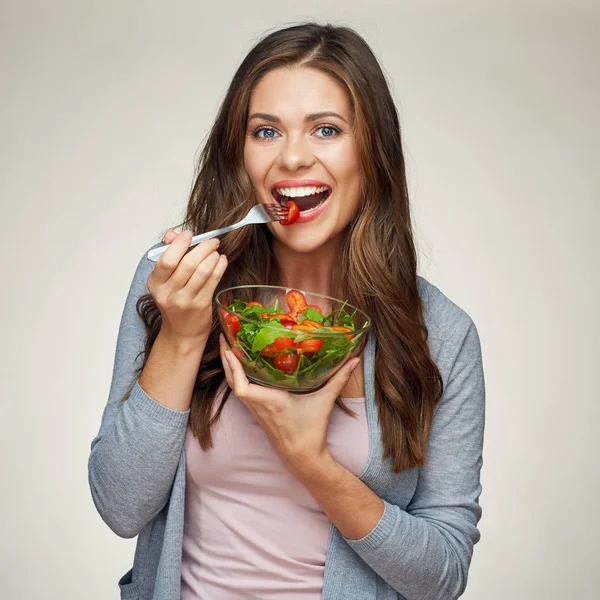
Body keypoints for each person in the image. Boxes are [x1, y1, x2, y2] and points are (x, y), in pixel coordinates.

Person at [88, 22, 485, 600]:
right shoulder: (179, 284)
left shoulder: (442, 334)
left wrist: (312, 462)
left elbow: (443, 576)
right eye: (266, 131)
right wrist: (179, 336)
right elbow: (120, 507)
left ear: (372, 152)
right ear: (240, 153)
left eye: (327, 130)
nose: (293, 157)